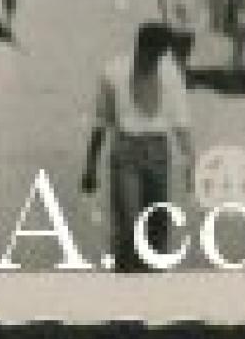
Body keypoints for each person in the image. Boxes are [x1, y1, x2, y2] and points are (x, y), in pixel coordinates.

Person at [82, 22, 194, 273]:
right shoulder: (114, 72)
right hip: (126, 153)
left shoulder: (170, 74)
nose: (155, 61)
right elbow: (101, 121)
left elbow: (181, 120)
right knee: (129, 225)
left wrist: (191, 161)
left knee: (157, 226)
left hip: (158, 153)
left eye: (160, 55)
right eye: (151, 55)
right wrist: (90, 165)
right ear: (140, 48)